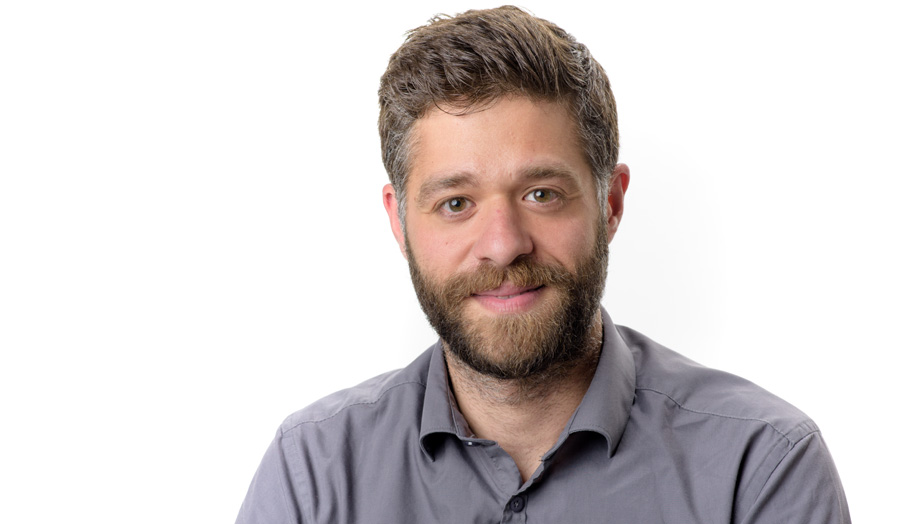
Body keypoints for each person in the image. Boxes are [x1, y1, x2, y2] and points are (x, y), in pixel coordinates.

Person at [236, 6, 850, 523]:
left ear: (609, 203)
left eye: (541, 194)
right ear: (399, 222)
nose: (503, 245)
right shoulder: (312, 476)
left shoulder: (761, 465)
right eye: (456, 203)